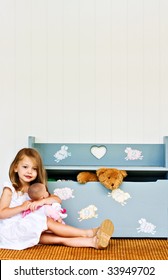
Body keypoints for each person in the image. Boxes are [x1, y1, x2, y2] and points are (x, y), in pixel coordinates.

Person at [0, 148, 114, 250]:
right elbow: (1, 213)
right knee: (46, 221)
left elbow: (57, 199)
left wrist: (42, 201)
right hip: (12, 231)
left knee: (59, 238)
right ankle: (89, 233)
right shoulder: (10, 189)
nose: (29, 171)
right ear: (15, 167)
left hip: (27, 230)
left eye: (34, 169)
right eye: (25, 167)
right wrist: (21, 207)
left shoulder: (35, 189)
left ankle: (93, 242)